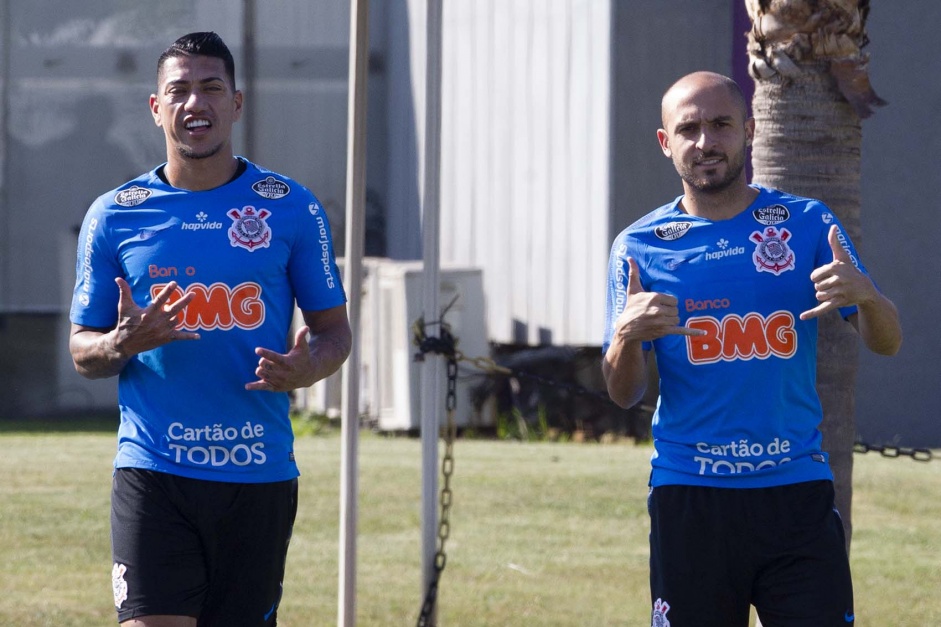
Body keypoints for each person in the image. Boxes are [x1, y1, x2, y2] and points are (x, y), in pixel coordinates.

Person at [68, 32, 352, 627]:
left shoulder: (290, 207)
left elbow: (334, 332)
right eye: (179, 90)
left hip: (257, 470)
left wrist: (310, 366)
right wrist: (122, 343)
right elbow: (82, 350)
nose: (195, 103)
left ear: (236, 103)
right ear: (156, 107)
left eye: (211, 88)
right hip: (153, 468)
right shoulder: (115, 214)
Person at [602, 71, 901, 627]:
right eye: (688, 129)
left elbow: (887, 341)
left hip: (796, 495)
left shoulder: (807, 224)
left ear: (750, 130)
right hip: (690, 498)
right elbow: (624, 393)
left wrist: (868, 297)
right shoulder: (638, 247)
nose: (705, 142)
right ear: (666, 143)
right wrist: (626, 336)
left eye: (720, 125)